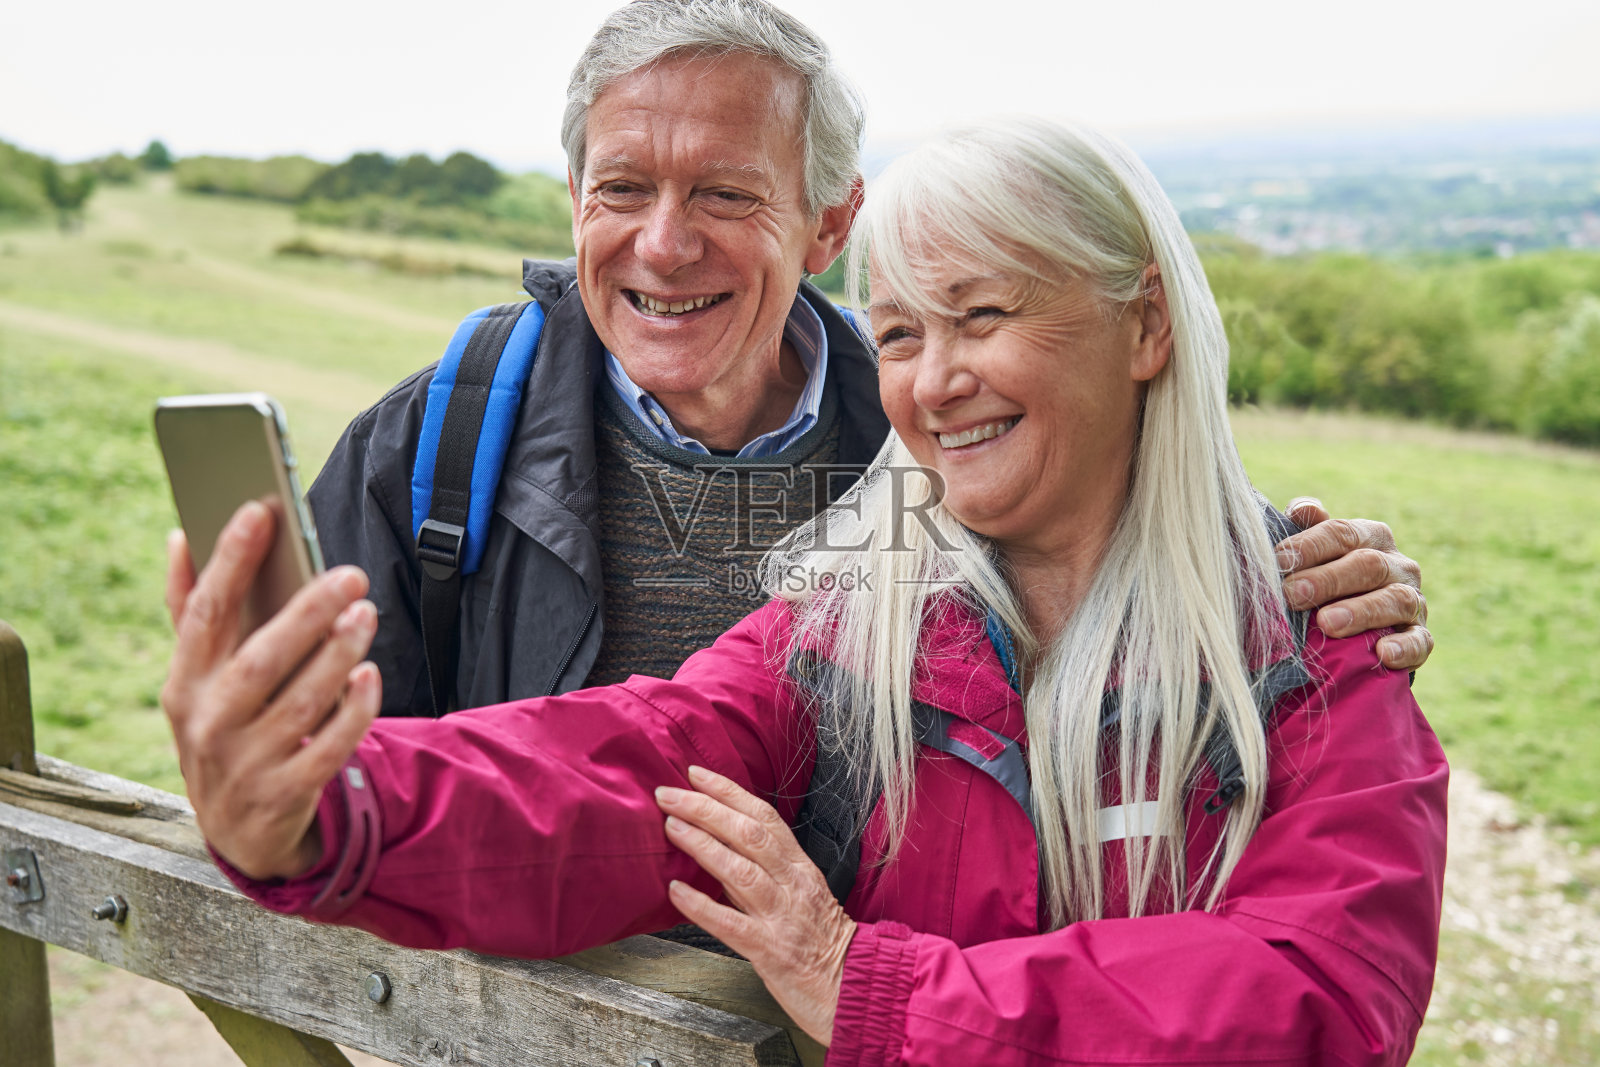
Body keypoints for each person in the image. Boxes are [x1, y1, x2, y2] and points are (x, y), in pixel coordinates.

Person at [162, 117, 1446, 1064]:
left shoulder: (1308, 641)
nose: (934, 379)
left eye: (981, 313)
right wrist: (335, 809)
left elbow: (1321, 993)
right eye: (896, 333)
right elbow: (638, 769)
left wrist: (869, 985)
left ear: (1146, 327)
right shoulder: (854, 614)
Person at [304, 0, 1433, 720]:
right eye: (623, 189)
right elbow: (336, 780)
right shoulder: (431, 444)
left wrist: (1297, 587)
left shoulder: (947, 430)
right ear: (573, 201)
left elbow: (1140, 546)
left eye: (725, 194)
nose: (662, 243)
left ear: (829, 228)